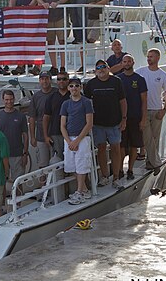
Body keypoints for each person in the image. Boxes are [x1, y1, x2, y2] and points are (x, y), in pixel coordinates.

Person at [84, 59, 126, 188]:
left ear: (108, 68)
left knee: (116, 149)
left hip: (115, 123)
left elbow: (123, 101)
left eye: (103, 67)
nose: (101, 69)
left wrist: (124, 118)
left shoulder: (116, 81)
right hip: (98, 124)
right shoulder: (91, 84)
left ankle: (116, 177)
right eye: (98, 68)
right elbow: (86, 103)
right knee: (101, 149)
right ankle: (105, 176)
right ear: (95, 71)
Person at [136, 48, 166, 173]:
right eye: (148, 56)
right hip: (144, 110)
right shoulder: (141, 71)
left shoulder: (163, 75)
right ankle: (157, 163)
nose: (148, 58)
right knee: (147, 138)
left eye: (151, 56)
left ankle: (150, 163)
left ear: (157, 58)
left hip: (157, 110)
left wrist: (164, 109)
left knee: (155, 138)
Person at [35, 0, 72, 75]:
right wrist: (43, 3)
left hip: (61, 15)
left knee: (62, 41)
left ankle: (62, 66)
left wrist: (58, 3)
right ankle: (54, 66)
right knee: (50, 42)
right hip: (48, 16)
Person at [60, 77, 94, 204]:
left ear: (80, 88)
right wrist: (69, 141)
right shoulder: (65, 104)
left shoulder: (86, 102)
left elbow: (89, 123)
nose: (74, 88)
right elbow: (62, 125)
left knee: (81, 165)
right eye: (71, 86)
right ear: (68, 88)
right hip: (69, 140)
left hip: (82, 139)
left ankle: (79, 192)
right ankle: (84, 190)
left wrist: (77, 140)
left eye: (76, 86)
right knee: (71, 165)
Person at [117, 54, 148, 179]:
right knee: (122, 147)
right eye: (124, 61)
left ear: (133, 62)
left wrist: (143, 119)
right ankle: (120, 170)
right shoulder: (118, 79)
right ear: (122, 63)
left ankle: (130, 170)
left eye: (129, 61)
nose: (127, 63)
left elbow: (144, 101)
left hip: (136, 117)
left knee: (134, 146)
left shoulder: (140, 79)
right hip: (121, 118)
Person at [0, 90, 28, 199]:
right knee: (1, 182)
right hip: (2, 155)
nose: (9, 102)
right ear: (3, 100)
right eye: (6, 99)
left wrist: (25, 153)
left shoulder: (20, 116)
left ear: (14, 99)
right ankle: (3, 206)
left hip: (17, 154)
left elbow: (25, 135)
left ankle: (19, 205)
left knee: (18, 181)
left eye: (10, 99)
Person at [28, 71, 54, 171]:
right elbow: (32, 118)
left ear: (50, 80)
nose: (44, 81)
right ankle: (43, 185)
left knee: (57, 163)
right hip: (40, 137)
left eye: (46, 78)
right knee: (42, 165)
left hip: (55, 135)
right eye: (42, 79)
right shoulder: (36, 97)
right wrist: (33, 137)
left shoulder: (56, 93)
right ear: (39, 81)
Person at [42, 70, 71, 160]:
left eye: (64, 79)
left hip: (72, 134)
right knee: (58, 160)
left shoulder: (74, 95)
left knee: (71, 160)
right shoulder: (51, 98)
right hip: (56, 134)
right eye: (59, 79)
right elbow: (46, 117)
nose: (61, 81)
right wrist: (46, 136)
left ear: (68, 81)